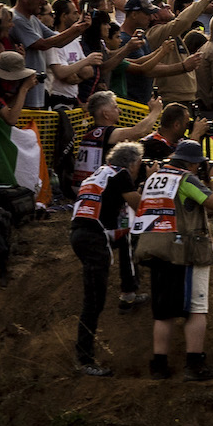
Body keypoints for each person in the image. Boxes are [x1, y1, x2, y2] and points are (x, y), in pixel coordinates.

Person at [132, 139, 213, 381]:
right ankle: (194, 365)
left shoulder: (153, 179)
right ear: (192, 163)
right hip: (183, 252)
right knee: (196, 309)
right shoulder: (186, 179)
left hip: (154, 247)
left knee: (163, 313)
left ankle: (159, 366)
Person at [69, 141, 144, 376]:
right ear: (131, 163)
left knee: (127, 237)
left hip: (82, 233)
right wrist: (148, 182)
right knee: (94, 302)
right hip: (94, 238)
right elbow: (139, 206)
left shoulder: (99, 173)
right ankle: (84, 359)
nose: (138, 170)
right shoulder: (121, 174)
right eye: (139, 165)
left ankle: (129, 292)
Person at [7, 0, 89, 108]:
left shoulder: (32, 18)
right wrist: (75, 29)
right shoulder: (17, 19)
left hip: (37, 92)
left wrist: (80, 27)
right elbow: (42, 44)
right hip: (23, 95)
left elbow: (59, 41)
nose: (43, 1)